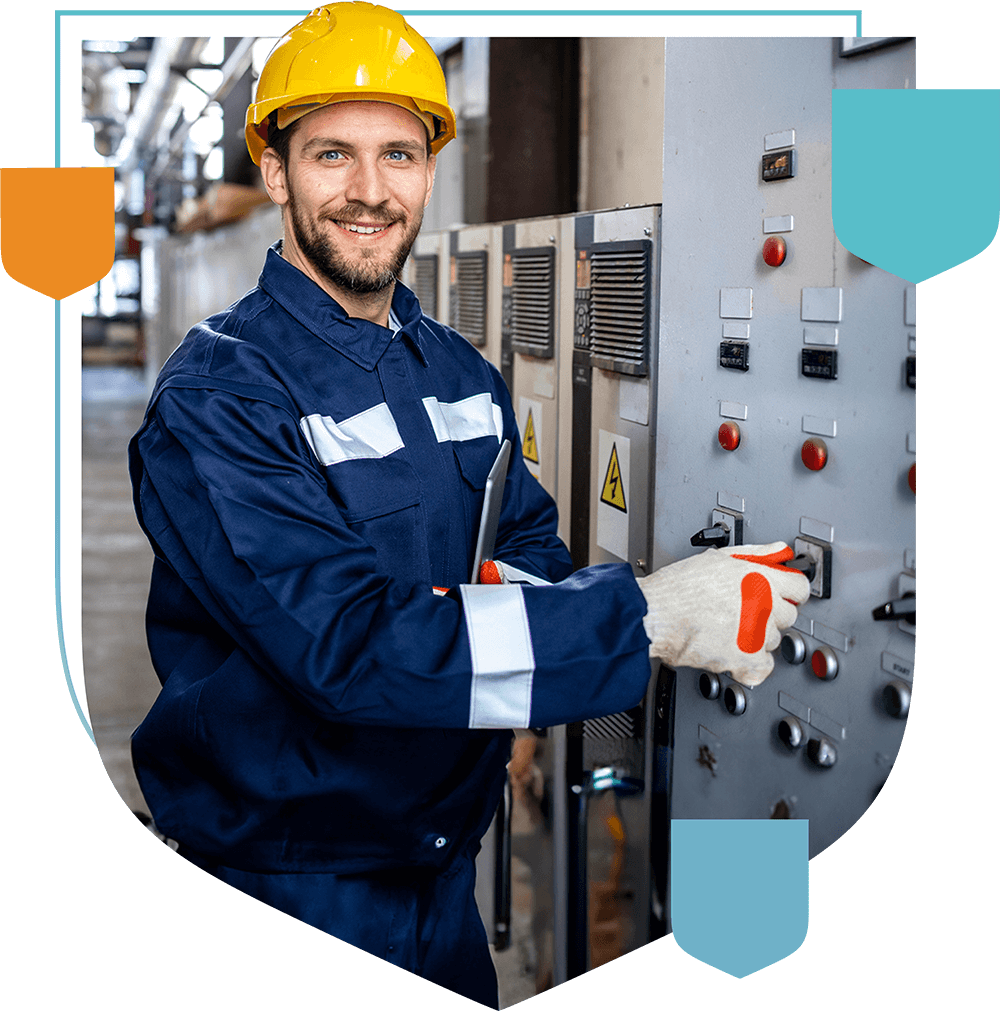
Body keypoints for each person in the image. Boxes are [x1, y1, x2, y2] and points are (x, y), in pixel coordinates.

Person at [128, 4, 809, 1006]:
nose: (369, 192)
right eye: (331, 156)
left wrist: (539, 690)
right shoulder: (219, 399)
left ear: (430, 169)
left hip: (440, 867)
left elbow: (519, 544)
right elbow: (346, 649)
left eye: (398, 154)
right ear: (274, 171)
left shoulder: (454, 369)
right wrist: (647, 618)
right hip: (292, 871)